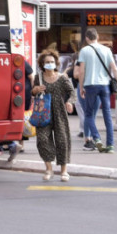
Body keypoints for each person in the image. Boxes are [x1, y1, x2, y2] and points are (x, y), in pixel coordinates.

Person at [32, 49, 76, 181]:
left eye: (52, 62)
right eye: (47, 62)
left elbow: (72, 92)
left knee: (62, 140)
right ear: (42, 64)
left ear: (56, 63)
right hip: (43, 112)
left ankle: (64, 171)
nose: (50, 64)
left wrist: (69, 102)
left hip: (59, 111)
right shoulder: (38, 77)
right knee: (42, 139)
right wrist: (35, 90)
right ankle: (48, 169)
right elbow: (32, 92)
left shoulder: (62, 77)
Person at [75, 28, 117, 153]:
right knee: (107, 115)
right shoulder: (107, 50)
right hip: (104, 86)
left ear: (87, 38)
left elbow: (81, 71)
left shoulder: (84, 51)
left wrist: (82, 86)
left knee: (88, 114)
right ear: (97, 37)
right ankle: (110, 145)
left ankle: (97, 139)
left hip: (90, 85)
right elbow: (114, 69)